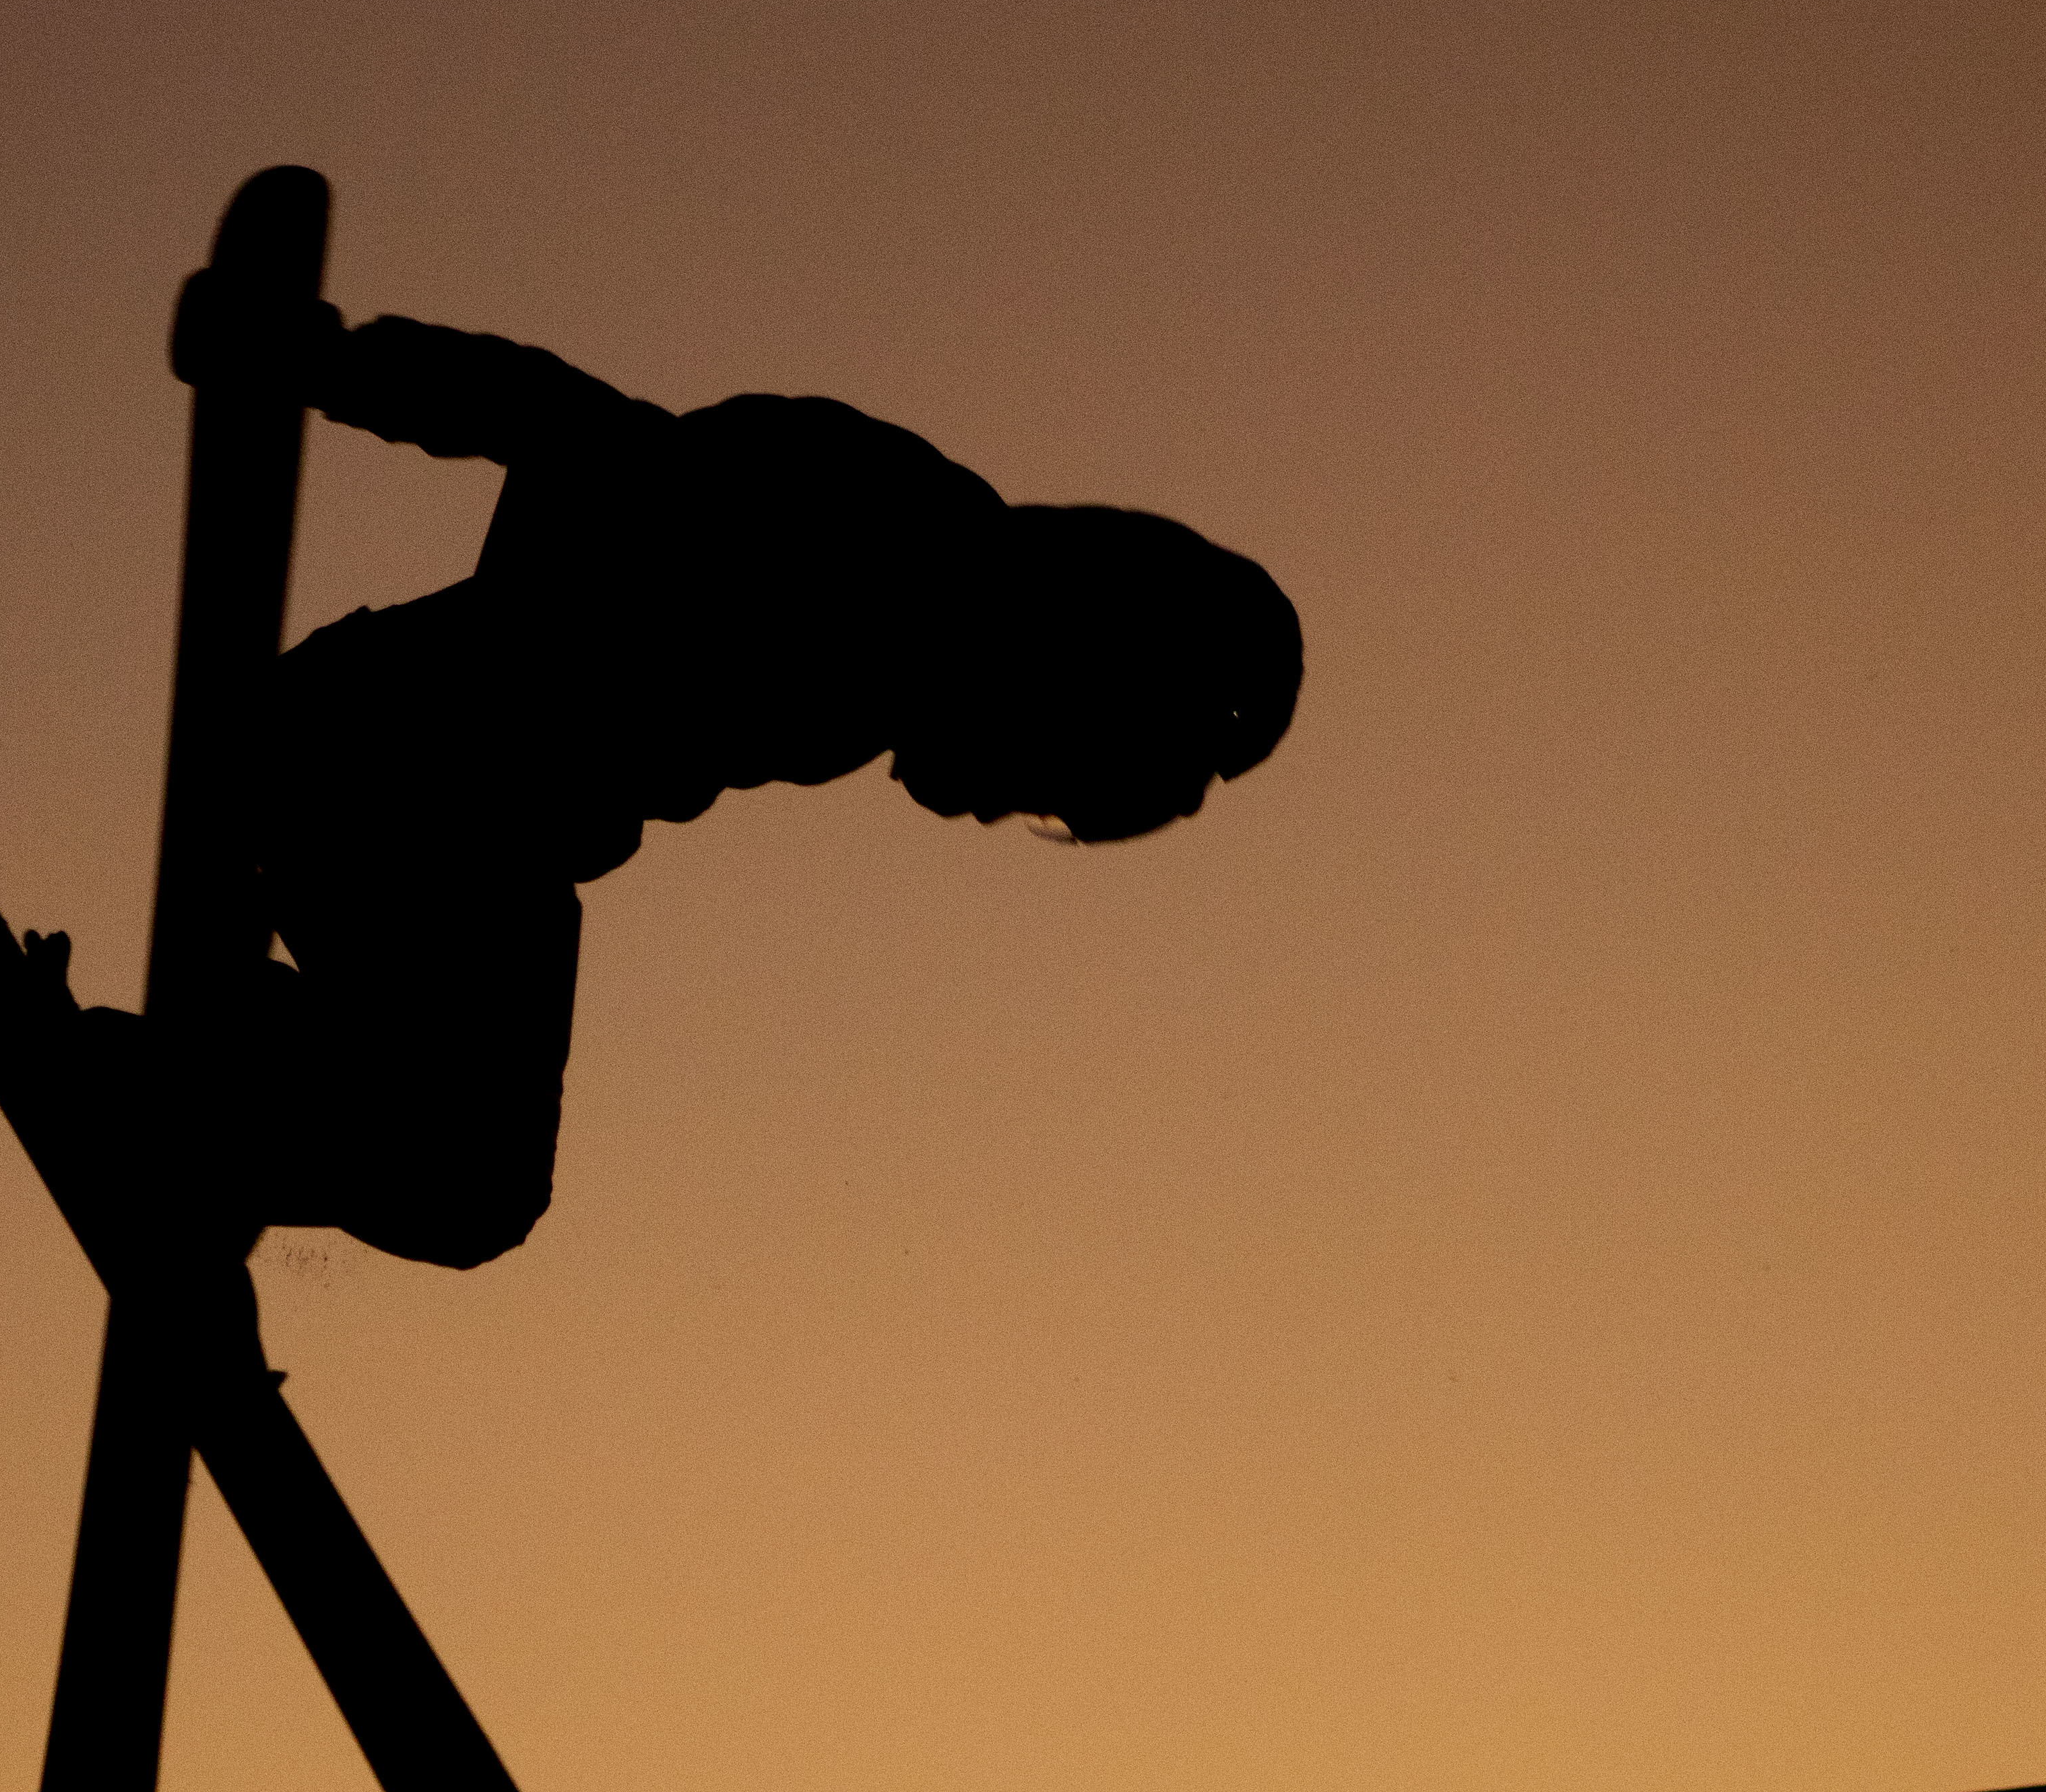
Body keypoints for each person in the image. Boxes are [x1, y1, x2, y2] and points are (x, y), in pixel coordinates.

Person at [63, 309, 1302, 1270]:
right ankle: (176, 1099)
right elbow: (567, 427)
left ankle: (226, 1105)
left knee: (475, 1154)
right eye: (1048, 782)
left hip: (447, 815)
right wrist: (311, 360)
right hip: (389, 768)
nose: (996, 809)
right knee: (476, 1180)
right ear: (1069, 678)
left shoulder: (898, 607)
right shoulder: (878, 545)